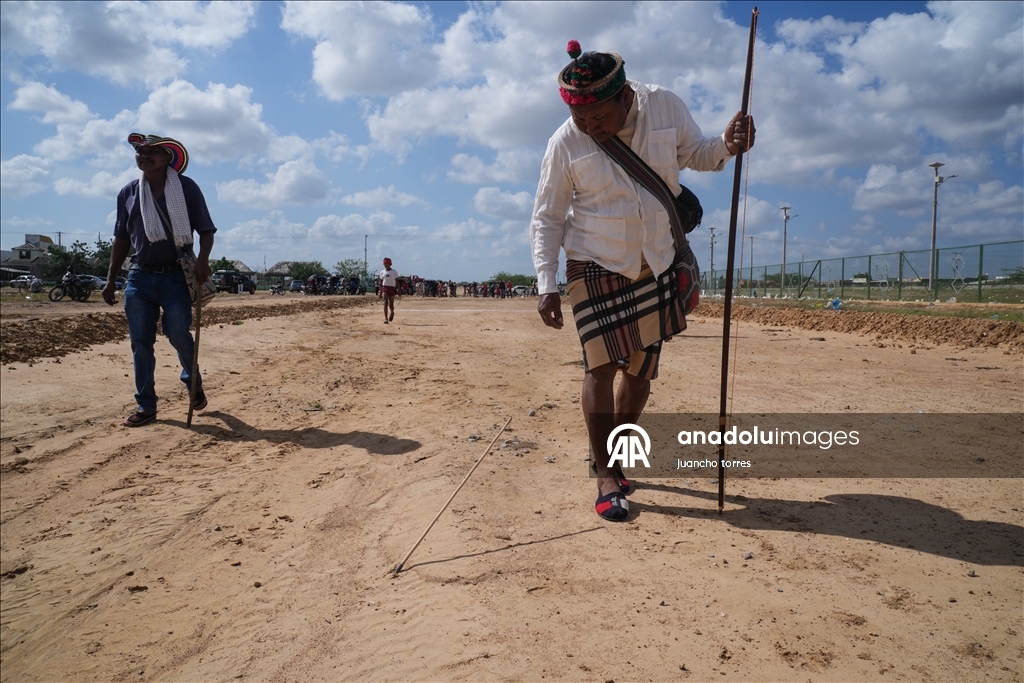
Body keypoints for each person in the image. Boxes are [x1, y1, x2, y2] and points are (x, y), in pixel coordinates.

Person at [530, 42, 755, 521]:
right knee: (600, 367)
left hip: (655, 260)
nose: (589, 129)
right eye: (580, 120)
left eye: (598, 119)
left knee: (639, 371)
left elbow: (699, 153)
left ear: (625, 95)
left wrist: (728, 143)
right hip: (593, 260)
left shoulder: (665, 106)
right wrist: (546, 282)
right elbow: (547, 217)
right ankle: (606, 474)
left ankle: (614, 449)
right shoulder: (564, 142)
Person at [102, 133, 216, 427]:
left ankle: (193, 384)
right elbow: (122, 238)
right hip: (139, 277)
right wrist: (111, 277)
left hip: (176, 276)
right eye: (139, 152)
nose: (143, 156)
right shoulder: (128, 193)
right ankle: (146, 406)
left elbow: (206, 230)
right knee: (141, 342)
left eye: (151, 152)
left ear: (168, 158)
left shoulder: (186, 188)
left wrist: (202, 262)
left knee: (178, 334)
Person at [380, 257, 398, 323]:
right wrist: (380, 292)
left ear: (391, 264)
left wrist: (398, 290)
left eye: (388, 263)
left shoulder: (394, 272)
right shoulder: (382, 272)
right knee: (385, 302)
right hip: (385, 288)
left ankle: (392, 312)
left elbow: (397, 281)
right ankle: (386, 318)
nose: (386, 265)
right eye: (385, 263)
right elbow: (381, 282)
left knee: (391, 304)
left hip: (392, 288)